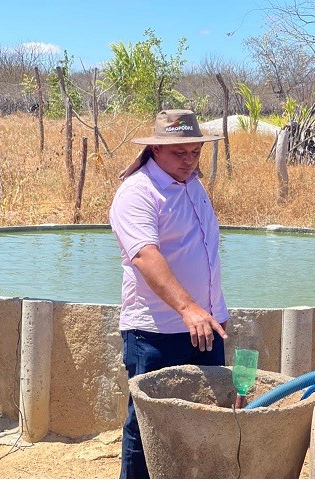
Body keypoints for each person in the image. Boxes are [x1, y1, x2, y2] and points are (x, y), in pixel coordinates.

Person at [109, 109, 229, 478]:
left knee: (207, 417)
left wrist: (213, 310)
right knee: (148, 424)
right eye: (180, 153)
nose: (189, 161)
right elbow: (145, 256)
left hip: (204, 325)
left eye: (194, 152)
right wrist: (188, 307)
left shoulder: (191, 182)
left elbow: (200, 250)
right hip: (157, 331)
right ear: (156, 148)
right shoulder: (137, 193)